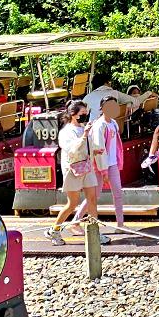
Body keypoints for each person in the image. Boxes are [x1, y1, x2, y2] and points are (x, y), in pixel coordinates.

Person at [48, 101, 101, 243]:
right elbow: (72, 150)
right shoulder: (66, 132)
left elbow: (85, 147)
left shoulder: (84, 128)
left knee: (92, 198)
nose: (85, 116)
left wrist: (94, 150)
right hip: (73, 169)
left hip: (86, 166)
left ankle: (95, 233)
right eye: (82, 114)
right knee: (72, 203)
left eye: (86, 113)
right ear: (73, 115)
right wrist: (84, 136)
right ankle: (55, 230)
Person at [91, 96, 126, 232]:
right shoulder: (99, 125)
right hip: (100, 166)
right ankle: (77, 220)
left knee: (117, 193)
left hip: (112, 164)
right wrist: (103, 170)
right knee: (94, 196)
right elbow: (98, 148)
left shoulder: (114, 123)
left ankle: (120, 225)